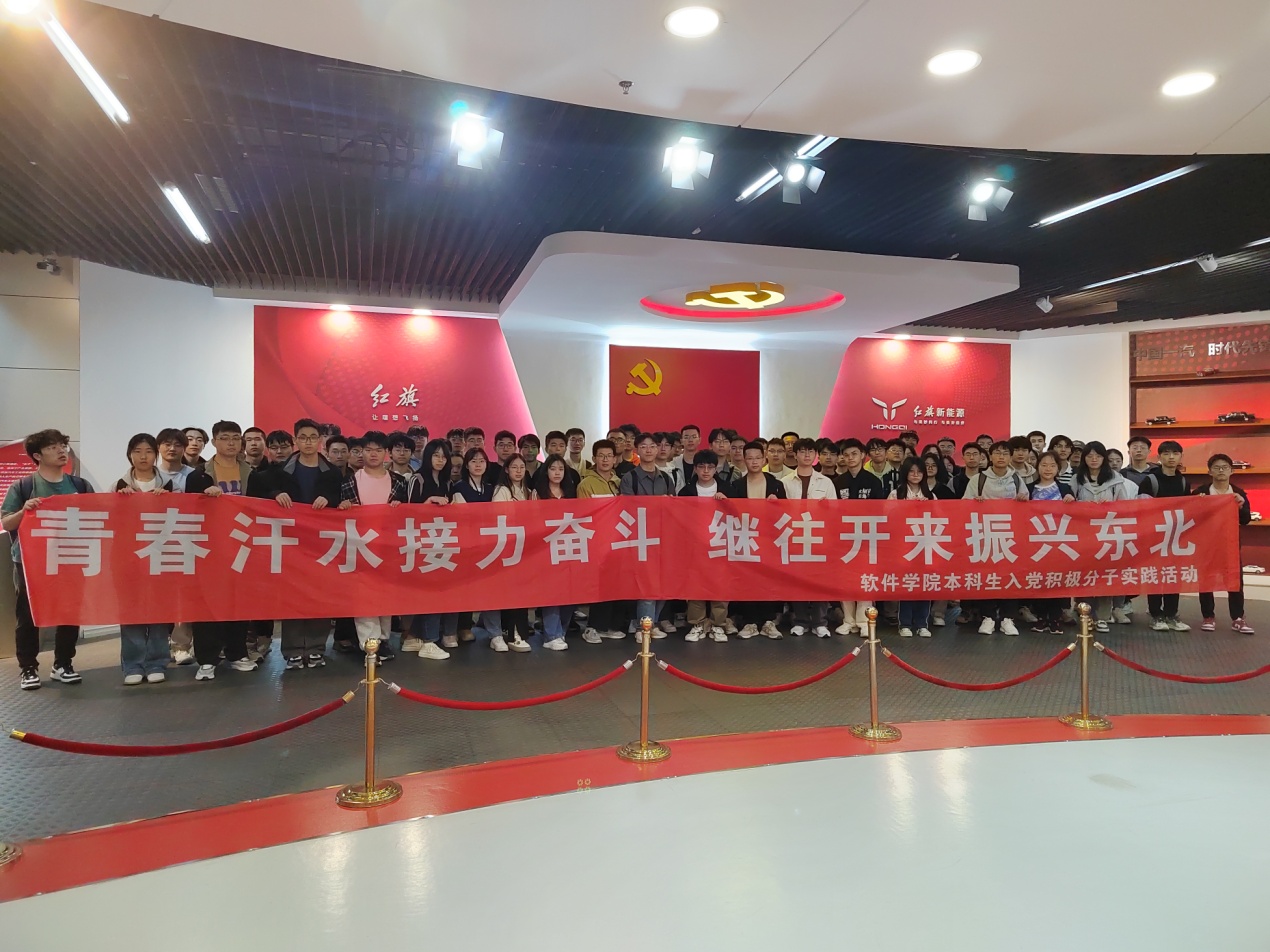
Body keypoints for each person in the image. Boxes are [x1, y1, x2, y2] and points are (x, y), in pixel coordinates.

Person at [2, 430, 93, 690]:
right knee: (28, 614)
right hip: (31, 561)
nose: (61, 450)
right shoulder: (23, 486)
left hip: (70, 558)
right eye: (53, 447)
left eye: (63, 445)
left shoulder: (80, 486)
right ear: (37, 455)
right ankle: (28, 667)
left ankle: (63, 664)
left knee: (69, 612)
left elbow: (97, 515)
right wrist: (25, 510)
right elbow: (7, 522)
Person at [185, 421, 263, 679]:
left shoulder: (252, 473)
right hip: (209, 548)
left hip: (242, 546)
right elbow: (188, 509)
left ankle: (237, 653)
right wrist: (203, 497)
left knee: (238, 603)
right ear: (214, 442)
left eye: (235, 438)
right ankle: (207, 659)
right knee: (207, 604)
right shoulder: (199, 475)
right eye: (225, 438)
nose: (231, 443)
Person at [266, 419, 344, 669]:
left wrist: (329, 499)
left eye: (313, 437)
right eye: (303, 437)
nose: (308, 442)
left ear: (320, 440)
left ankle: (316, 648)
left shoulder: (332, 471)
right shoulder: (280, 470)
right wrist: (276, 494)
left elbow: (340, 499)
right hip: (290, 541)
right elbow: (264, 493)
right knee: (293, 595)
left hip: (322, 542)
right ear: (295, 440)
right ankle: (292, 651)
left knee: (320, 594)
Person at [339, 430, 408, 661]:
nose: (373, 454)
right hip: (360, 546)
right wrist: (344, 506)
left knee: (386, 595)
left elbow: (408, 515)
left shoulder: (398, 482)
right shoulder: (351, 480)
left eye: (378, 450)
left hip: (388, 547)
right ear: (361, 452)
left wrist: (400, 508)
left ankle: (384, 639)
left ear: (386, 453)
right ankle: (370, 644)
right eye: (368, 450)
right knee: (364, 597)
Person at [962, 441, 1029, 636]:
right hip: (985, 535)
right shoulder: (978, 479)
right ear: (990, 457)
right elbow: (963, 506)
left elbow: (1028, 507)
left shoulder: (1016, 479)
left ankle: (1008, 618)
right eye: (997, 453)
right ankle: (988, 617)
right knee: (987, 576)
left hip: (1010, 535)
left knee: (1010, 576)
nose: (1001, 456)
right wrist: (975, 503)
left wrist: (1023, 501)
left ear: (1010, 457)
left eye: (1005, 453)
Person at [1067, 441, 1133, 634]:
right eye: (1090, 456)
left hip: (1107, 535)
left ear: (1104, 458)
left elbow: (1125, 507)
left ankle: (1103, 616)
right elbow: (1068, 504)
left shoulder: (1116, 480)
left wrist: (1110, 506)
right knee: (1085, 576)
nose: (1094, 459)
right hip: (1083, 535)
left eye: (1098, 456)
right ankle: (1086, 614)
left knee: (1104, 576)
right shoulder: (1077, 479)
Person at [726, 440, 787, 639]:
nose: (754, 462)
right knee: (748, 580)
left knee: (769, 580)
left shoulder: (776, 485)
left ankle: (768, 621)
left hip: (769, 540)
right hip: (746, 538)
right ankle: (750, 622)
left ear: (764, 459)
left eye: (758, 458)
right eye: (750, 458)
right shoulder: (736, 486)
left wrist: (778, 504)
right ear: (744, 460)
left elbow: (786, 513)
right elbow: (730, 513)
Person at [404, 438, 459, 658]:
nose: (440, 460)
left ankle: (413, 637)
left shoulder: (447, 482)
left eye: (444, 457)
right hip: (421, 543)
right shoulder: (417, 479)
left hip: (442, 542)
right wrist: (429, 502)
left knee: (440, 591)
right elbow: (408, 512)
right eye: (436, 455)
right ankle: (429, 641)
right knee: (430, 592)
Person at [620, 433, 677, 638]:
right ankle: (642, 629)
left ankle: (649, 622)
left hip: (663, 538)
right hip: (641, 538)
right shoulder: (630, 478)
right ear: (637, 450)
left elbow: (674, 508)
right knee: (647, 584)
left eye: (652, 446)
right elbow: (627, 508)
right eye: (644, 447)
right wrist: (656, 505)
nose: (649, 450)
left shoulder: (666, 478)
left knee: (663, 584)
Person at [1193, 453, 1254, 634]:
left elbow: (1246, 520)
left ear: (1231, 471)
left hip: (1230, 544)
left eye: (1225, 467)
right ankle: (1208, 617)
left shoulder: (1238, 493)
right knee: (1206, 580)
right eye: (1217, 467)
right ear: (1210, 472)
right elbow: (1192, 519)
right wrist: (1198, 504)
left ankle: (1238, 618)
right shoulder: (1201, 492)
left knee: (1235, 581)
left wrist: (1240, 506)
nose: (1221, 470)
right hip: (1207, 544)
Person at [577, 439, 625, 643]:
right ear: (594, 458)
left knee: (617, 585)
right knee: (600, 586)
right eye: (601, 456)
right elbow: (584, 514)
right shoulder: (586, 483)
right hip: (598, 542)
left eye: (609, 456)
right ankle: (593, 627)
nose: (605, 460)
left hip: (619, 541)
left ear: (615, 459)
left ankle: (609, 626)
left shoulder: (620, 482)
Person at [679, 450, 730, 642]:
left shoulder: (728, 489)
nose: (706, 471)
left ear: (716, 469)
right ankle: (697, 623)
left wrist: (727, 503)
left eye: (710, 467)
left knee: (720, 586)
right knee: (695, 586)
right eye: (701, 467)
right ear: (695, 469)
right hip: (694, 546)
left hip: (720, 544)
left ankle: (718, 624)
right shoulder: (686, 492)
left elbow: (739, 516)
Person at [1144, 440, 1190, 632]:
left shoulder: (1184, 481)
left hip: (1176, 535)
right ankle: (1156, 615)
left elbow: (1188, 508)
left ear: (1181, 456)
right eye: (1166, 453)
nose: (1171, 457)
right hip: (1155, 535)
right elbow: (1142, 509)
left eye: (1175, 453)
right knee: (1155, 575)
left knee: (1173, 575)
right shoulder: (1150, 481)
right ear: (1159, 457)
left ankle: (1171, 614)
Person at [888, 457, 935, 638]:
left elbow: (940, 517)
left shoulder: (930, 495)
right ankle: (905, 623)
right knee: (908, 583)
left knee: (925, 583)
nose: (915, 475)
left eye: (919, 471)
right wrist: (906, 508)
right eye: (912, 471)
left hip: (926, 544)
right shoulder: (896, 494)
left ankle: (922, 623)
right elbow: (887, 517)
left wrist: (927, 507)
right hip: (904, 545)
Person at [1027, 452, 1074, 634]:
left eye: (1052, 465)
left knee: (1057, 580)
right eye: (1044, 465)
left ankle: (1055, 618)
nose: (1048, 469)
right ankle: (1041, 618)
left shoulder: (1064, 488)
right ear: (1037, 467)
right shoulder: (1029, 488)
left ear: (1058, 468)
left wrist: (1071, 501)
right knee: (1038, 580)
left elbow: (1076, 514)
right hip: (1036, 542)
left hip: (1058, 542)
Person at [534, 454, 576, 651]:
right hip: (546, 548)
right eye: (553, 469)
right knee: (551, 592)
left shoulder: (571, 492)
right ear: (546, 472)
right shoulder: (538, 493)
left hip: (569, 547)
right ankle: (551, 635)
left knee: (569, 593)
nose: (557, 472)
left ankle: (561, 631)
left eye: (561, 469)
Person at [156, 428, 195, 493]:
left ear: (184, 448)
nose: (172, 449)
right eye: (167, 445)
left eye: (177, 445)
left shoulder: (194, 475)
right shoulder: (152, 474)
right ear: (158, 448)